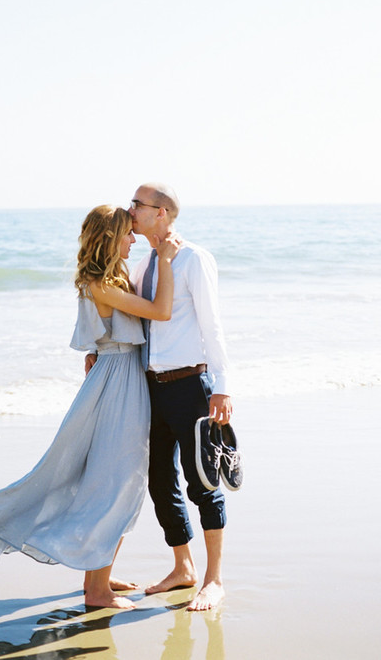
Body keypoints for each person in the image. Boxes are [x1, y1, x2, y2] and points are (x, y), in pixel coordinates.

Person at [0, 205, 179, 610]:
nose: (133, 241)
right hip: (118, 383)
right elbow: (161, 311)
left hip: (117, 376)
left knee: (117, 480)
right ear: (110, 238)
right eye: (127, 235)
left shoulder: (105, 278)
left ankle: (97, 573)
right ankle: (97, 591)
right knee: (117, 483)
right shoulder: (100, 283)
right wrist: (167, 261)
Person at [129, 182, 233, 612]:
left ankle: (214, 580)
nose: (130, 209)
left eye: (138, 204)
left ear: (163, 213)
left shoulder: (194, 258)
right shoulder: (143, 264)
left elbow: (212, 324)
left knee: (203, 483)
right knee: (159, 482)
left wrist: (223, 385)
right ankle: (183, 567)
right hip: (152, 387)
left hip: (192, 386)